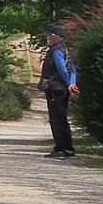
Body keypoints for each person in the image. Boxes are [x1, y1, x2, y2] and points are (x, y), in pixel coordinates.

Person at [39, 27, 80, 158]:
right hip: (63, 89)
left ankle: (61, 148)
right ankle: (68, 148)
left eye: (49, 36)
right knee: (62, 118)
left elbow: (62, 68)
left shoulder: (55, 50)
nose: (48, 38)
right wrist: (72, 84)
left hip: (56, 88)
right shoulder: (66, 50)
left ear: (53, 36)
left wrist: (68, 84)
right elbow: (72, 70)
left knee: (56, 119)